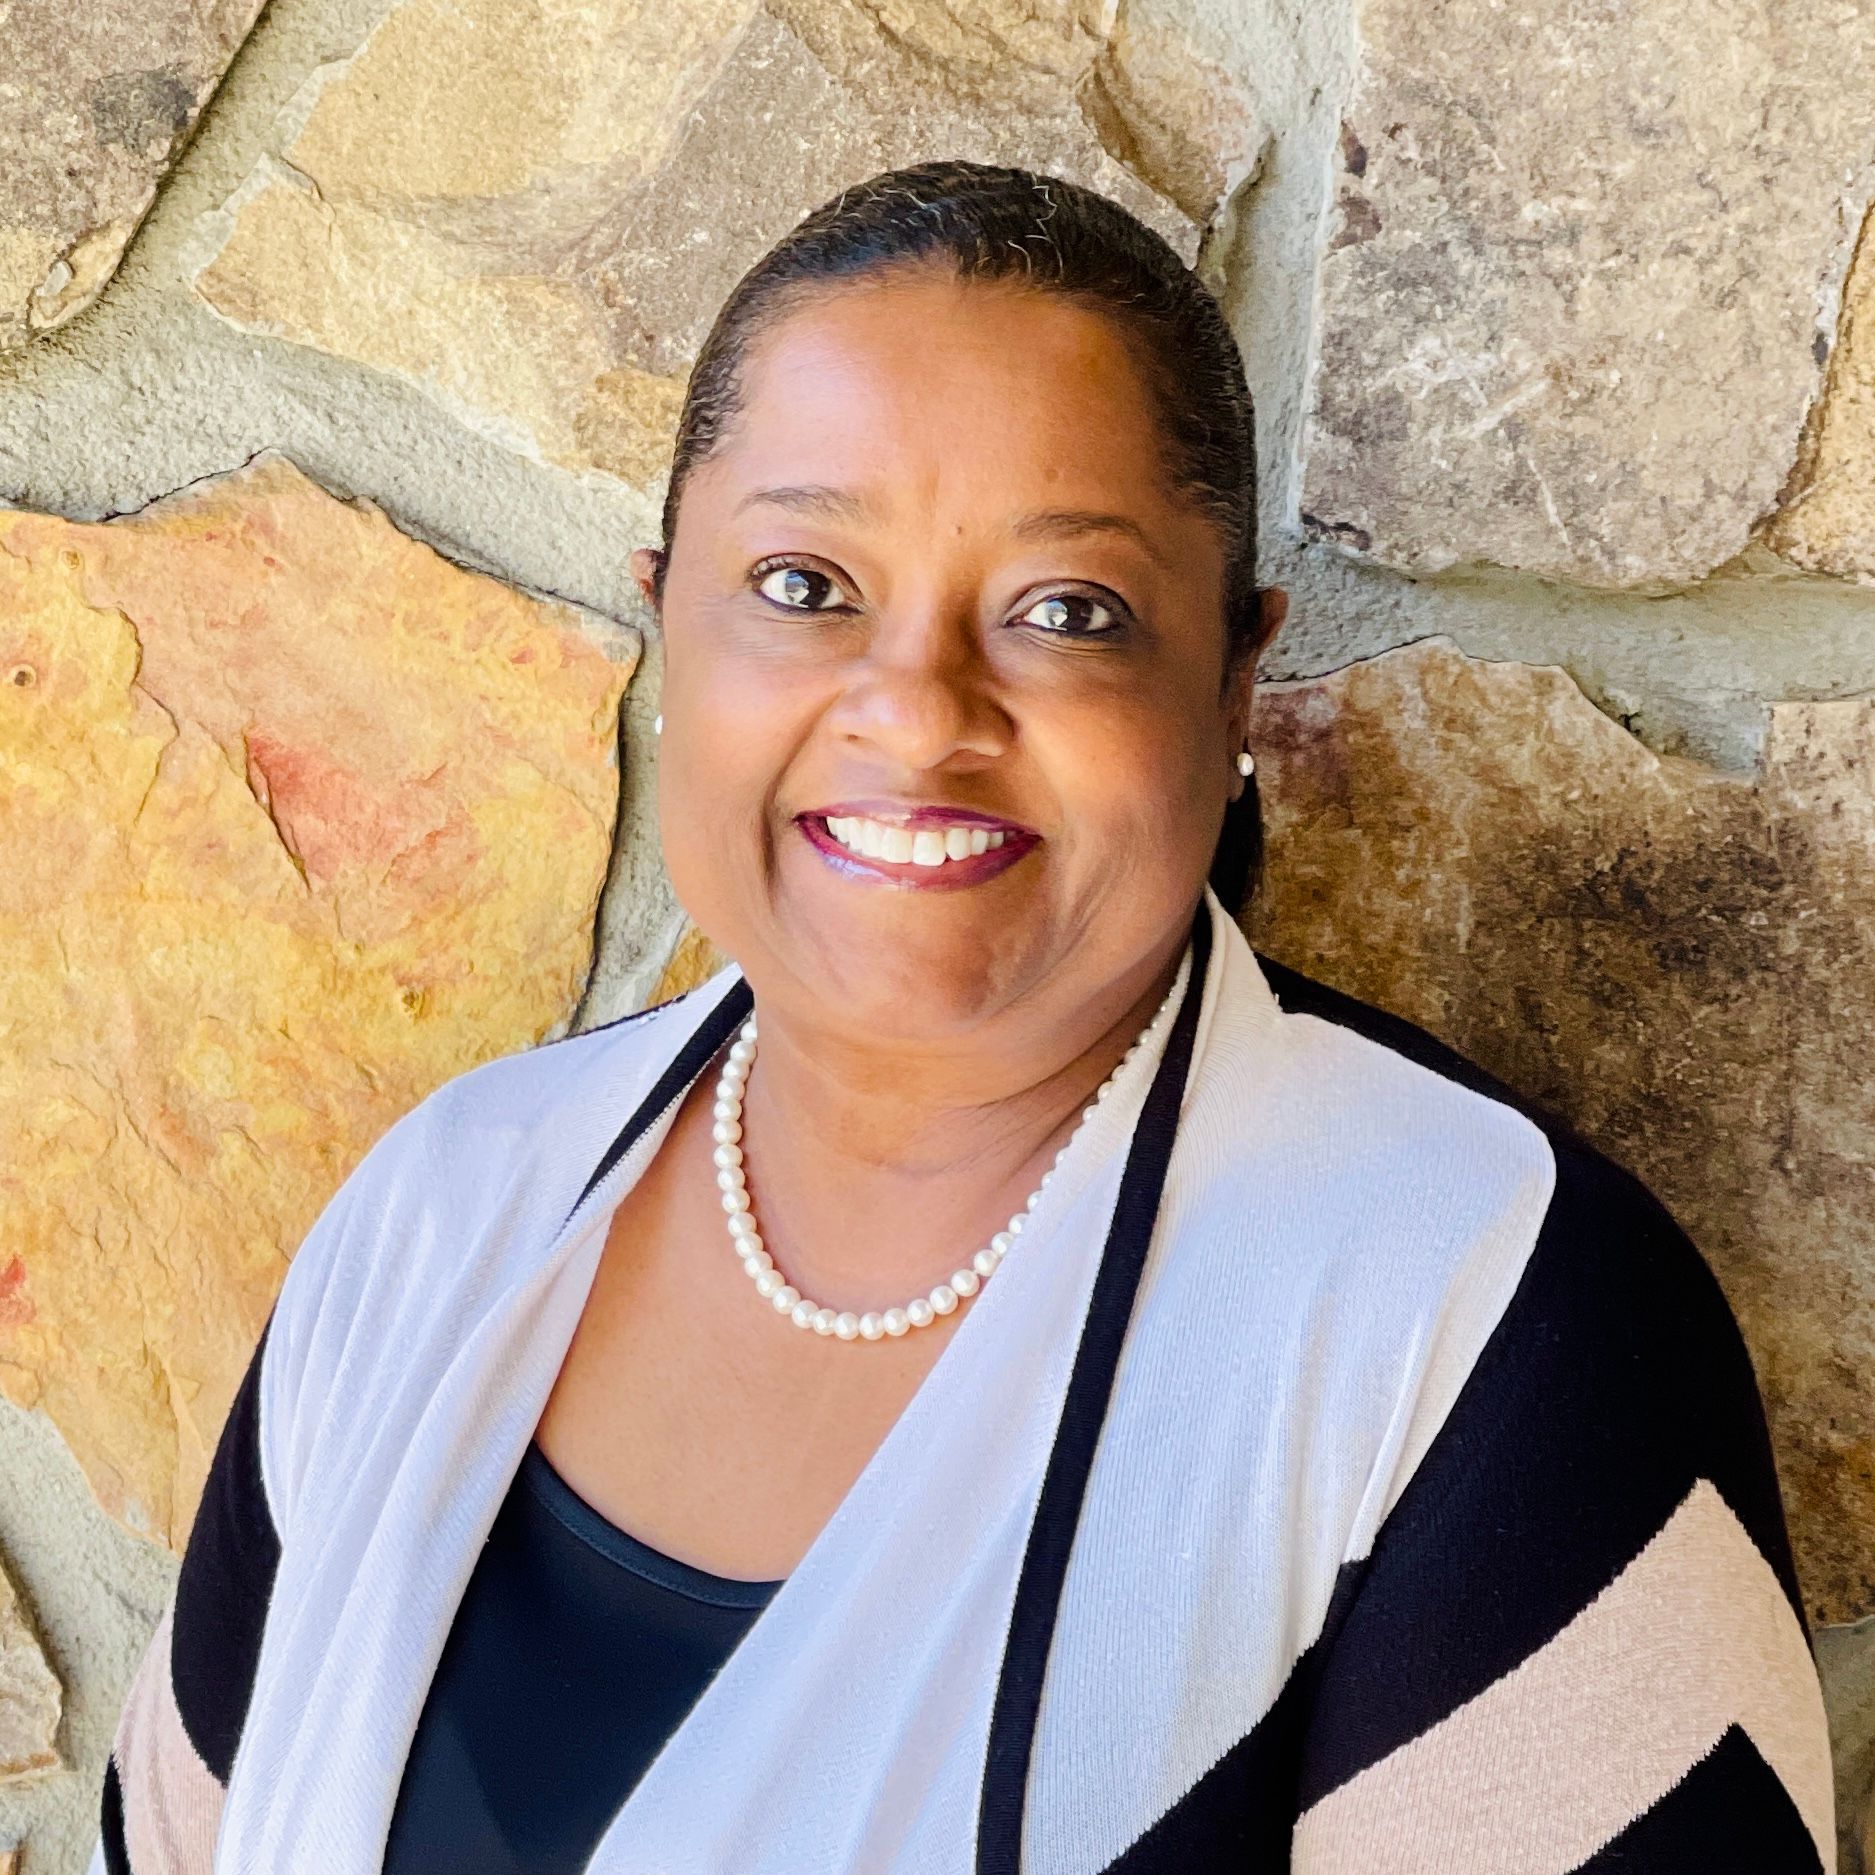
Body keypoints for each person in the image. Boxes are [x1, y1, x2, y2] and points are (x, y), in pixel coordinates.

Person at [91, 161, 1833, 1875]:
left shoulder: (1489, 1325)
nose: (918, 714)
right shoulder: (438, 1215)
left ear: (1235, 681)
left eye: (1066, 613)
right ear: (664, 622)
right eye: (804, 585)